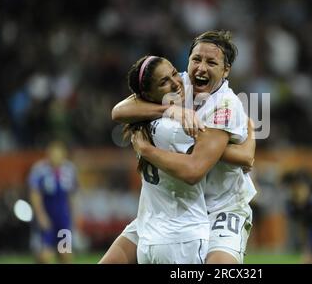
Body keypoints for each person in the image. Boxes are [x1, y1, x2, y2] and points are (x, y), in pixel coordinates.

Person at [110, 30, 257, 264]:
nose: (201, 68)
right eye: (196, 59)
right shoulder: (178, 82)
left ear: (226, 70)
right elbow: (119, 111)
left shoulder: (226, 106)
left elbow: (194, 169)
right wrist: (169, 110)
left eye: (211, 62)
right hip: (175, 206)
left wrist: (147, 149)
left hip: (221, 208)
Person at [28, 140, 78, 264]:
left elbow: (72, 195)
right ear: (48, 154)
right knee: (45, 256)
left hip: (63, 218)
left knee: (65, 253)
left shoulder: (70, 169)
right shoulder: (39, 170)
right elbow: (35, 194)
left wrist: (74, 215)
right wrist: (40, 216)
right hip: (47, 217)